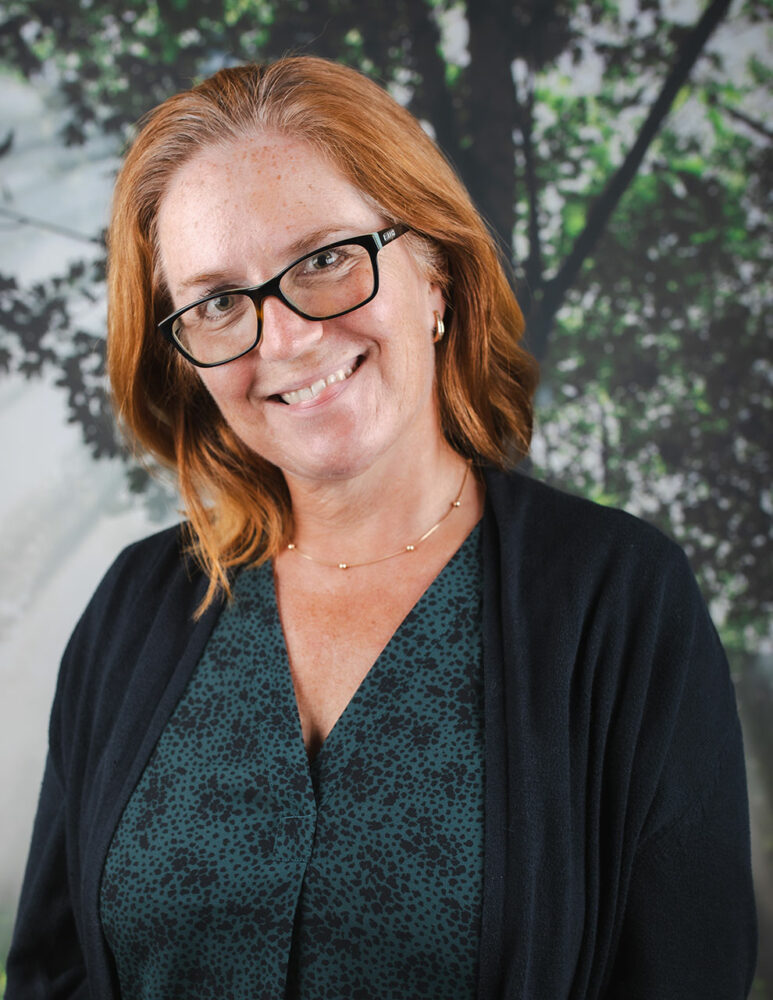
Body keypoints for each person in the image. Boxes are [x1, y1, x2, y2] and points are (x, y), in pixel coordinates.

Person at [7, 56, 756, 999]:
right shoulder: (134, 608)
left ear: (434, 270)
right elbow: (52, 976)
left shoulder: (619, 603)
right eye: (218, 302)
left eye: (323, 259)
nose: (283, 339)